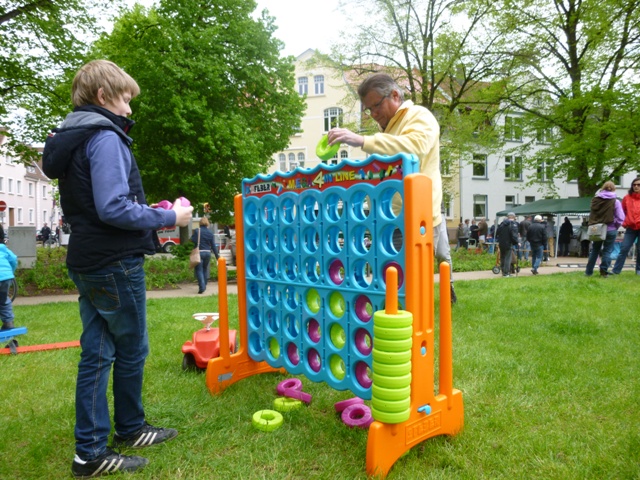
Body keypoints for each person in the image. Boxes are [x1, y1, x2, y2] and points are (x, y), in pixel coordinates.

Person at [42, 60, 193, 478]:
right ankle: (125, 431)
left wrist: (151, 209)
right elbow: (112, 207)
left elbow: (100, 202)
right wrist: (170, 219)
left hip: (88, 259)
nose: (130, 108)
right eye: (125, 98)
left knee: (98, 352)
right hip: (112, 262)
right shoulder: (104, 136)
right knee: (130, 350)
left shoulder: (75, 136)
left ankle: (90, 451)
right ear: (105, 97)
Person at [326, 73, 457, 303]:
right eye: (368, 110)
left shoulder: (420, 116)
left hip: (417, 216)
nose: (373, 114)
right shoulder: (389, 129)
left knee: (413, 278)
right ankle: (397, 314)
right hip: (390, 216)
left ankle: (421, 314)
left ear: (395, 95)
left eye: (376, 106)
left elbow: (415, 148)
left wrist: (364, 141)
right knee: (393, 276)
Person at [585, 181, 624, 278]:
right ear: (614, 189)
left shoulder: (595, 200)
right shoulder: (615, 201)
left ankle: (588, 272)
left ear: (603, 188)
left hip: (596, 229)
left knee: (595, 250)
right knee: (607, 251)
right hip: (610, 229)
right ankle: (604, 272)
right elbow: (620, 217)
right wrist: (616, 226)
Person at [612, 177, 640, 275]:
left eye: (638, 185)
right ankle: (616, 271)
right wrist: (624, 223)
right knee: (624, 248)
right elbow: (621, 212)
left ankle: (638, 271)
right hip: (630, 228)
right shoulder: (626, 198)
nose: (636, 186)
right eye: (634, 185)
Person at [190, 217, 219, 294]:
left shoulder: (197, 231)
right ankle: (205, 284)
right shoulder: (210, 233)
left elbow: (193, 240)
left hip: (199, 252)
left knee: (199, 270)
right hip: (208, 253)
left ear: (200, 223)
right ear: (207, 223)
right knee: (205, 269)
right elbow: (213, 245)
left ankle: (202, 287)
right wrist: (217, 256)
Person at [0, 242, 18, 330]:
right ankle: (8, 323)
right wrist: (10, 272)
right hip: (6, 277)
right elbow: (13, 259)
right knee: (3, 300)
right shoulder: (3, 248)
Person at [496, 212, 519, 277]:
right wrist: (516, 242)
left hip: (501, 243)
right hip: (508, 243)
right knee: (508, 258)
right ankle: (506, 273)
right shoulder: (513, 224)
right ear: (514, 217)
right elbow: (513, 235)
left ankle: (503, 271)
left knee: (502, 257)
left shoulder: (502, 224)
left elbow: (497, 232)